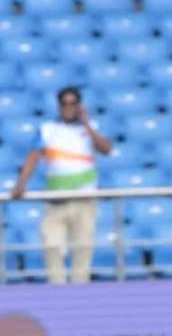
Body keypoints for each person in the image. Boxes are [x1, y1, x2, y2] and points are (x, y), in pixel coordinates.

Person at [10, 86, 114, 285]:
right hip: (56, 200)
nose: (69, 107)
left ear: (79, 106)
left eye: (73, 103)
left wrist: (88, 126)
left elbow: (106, 149)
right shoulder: (48, 130)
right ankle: (57, 287)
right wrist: (21, 183)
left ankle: (80, 290)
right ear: (59, 106)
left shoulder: (91, 128)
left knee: (83, 248)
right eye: (65, 104)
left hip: (84, 200)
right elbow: (33, 156)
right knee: (52, 245)